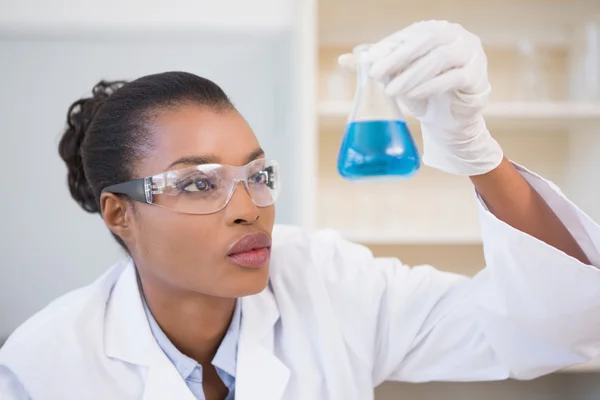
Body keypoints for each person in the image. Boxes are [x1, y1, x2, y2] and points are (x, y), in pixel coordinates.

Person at [1, 20, 600, 400]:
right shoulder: (42, 366)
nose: (249, 209)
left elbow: (558, 326)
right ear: (119, 214)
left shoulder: (328, 282)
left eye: (258, 175)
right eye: (198, 184)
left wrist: (477, 152)